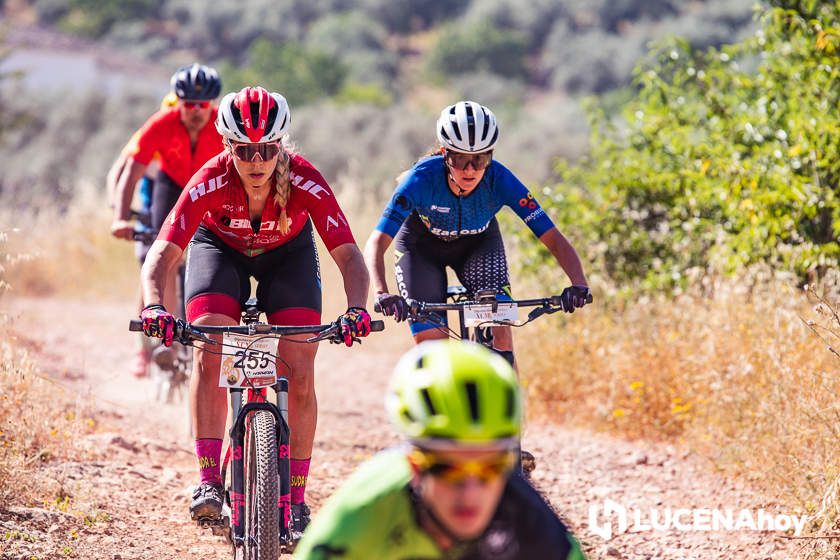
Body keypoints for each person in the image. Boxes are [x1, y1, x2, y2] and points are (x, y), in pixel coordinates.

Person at [137, 86, 372, 543]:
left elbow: (348, 256)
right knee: (208, 344)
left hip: (289, 258)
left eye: (267, 148)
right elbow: (162, 255)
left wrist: (357, 309)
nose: (257, 160)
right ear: (228, 146)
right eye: (245, 150)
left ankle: (298, 499)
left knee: (300, 367)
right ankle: (208, 477)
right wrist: (153, 305)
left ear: (280, 145)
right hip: (218, 253)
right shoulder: (210, 179)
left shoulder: (305, 179)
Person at [293, 340, 587, 559]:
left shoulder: (541, 535)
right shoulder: (362, 512)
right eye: (448, 469)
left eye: (491, 469)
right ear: (415, 467)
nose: (470, 492)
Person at [364, 100, 591, 368]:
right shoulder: (420, 180)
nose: (470, 170)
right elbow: (377, 242)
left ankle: (509, 408)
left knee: (501, 333)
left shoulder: (501, 180)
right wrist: (382, 293)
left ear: (490, 157)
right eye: (460, 159)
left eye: (480, 159)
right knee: (433, 353)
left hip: (478, 245)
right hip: (420, 248)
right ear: (444, 154)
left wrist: (579, 283)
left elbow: (551, 235)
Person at [111, 63, 224, 318]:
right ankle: (166, 336)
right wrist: (119, 218)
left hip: (209, 187)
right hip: (171, 185)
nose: (196, 111)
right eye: (189, 105)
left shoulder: (223, 126)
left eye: (203, 105)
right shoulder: (162, 123)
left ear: (213, 103)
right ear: (178, 102)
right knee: (166, 253)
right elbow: (131, 173)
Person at [106, 91, 180, 378]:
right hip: (150, 212)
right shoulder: (152, 133)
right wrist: (119, 210)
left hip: (181, 209)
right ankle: (142, 350)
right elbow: (118, 173)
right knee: (150, 273)